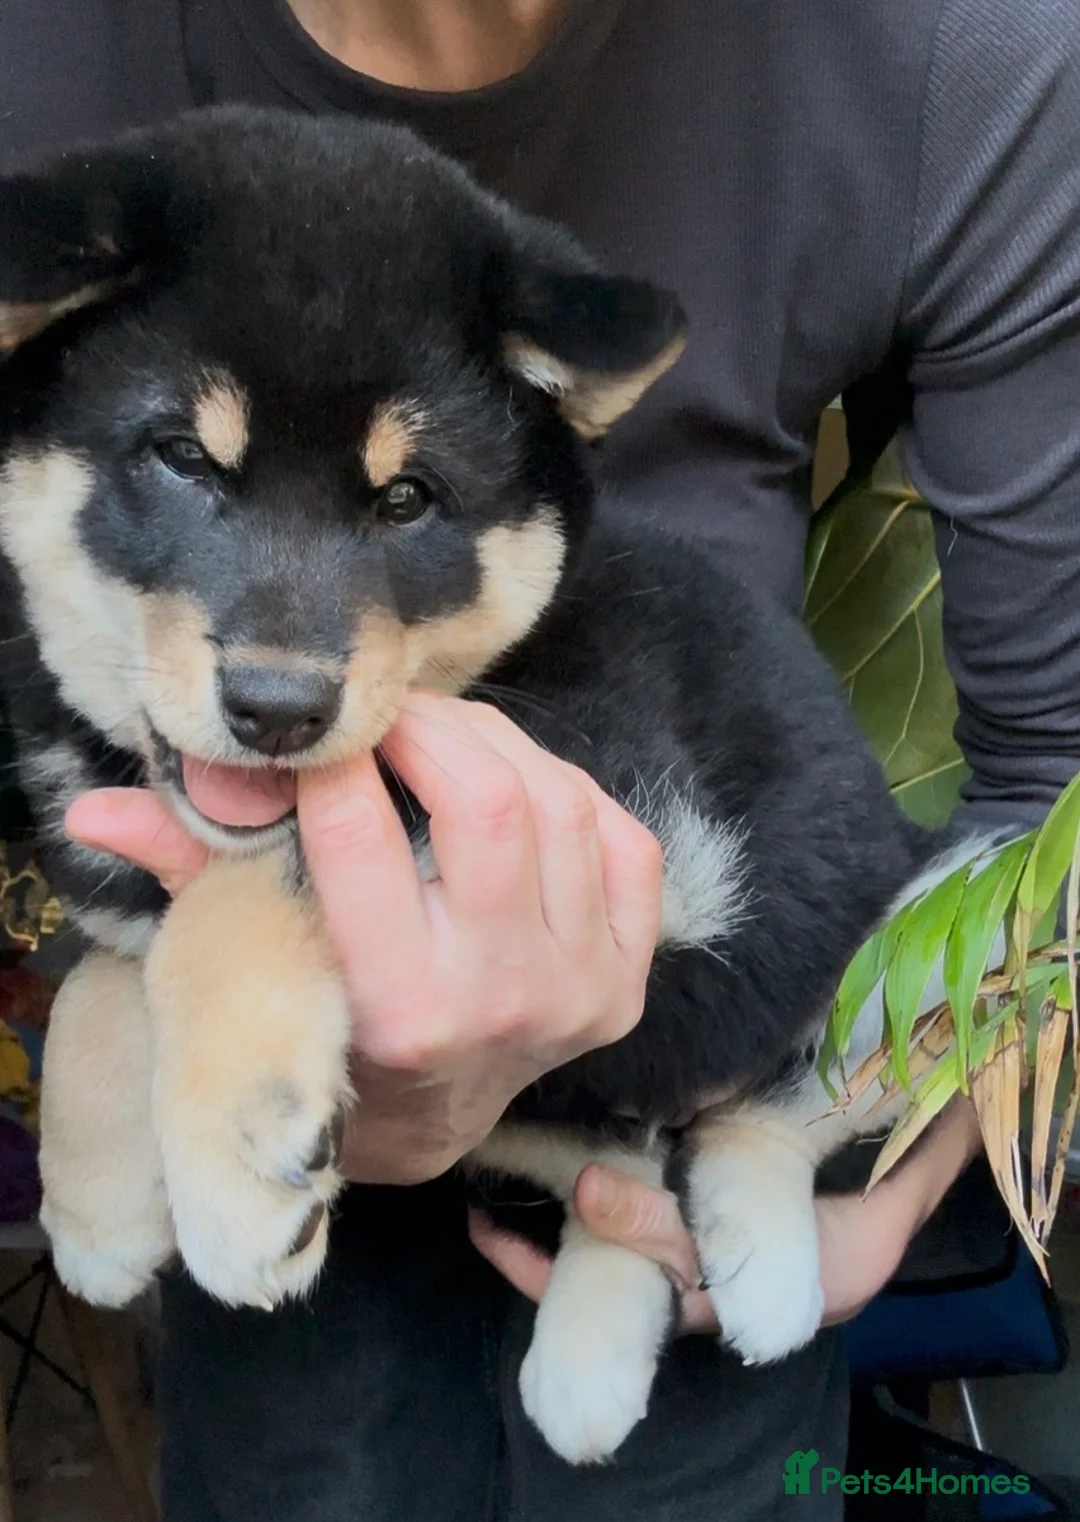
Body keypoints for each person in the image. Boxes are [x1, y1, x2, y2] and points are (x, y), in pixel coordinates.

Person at [3, 0, 1079, 1516]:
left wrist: (867, 1175)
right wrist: (105, 1005)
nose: (285, 656)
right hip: (278, 1242)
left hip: (694, 1133)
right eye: (188, 462)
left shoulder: (957, 64)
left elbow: (1064, 798)